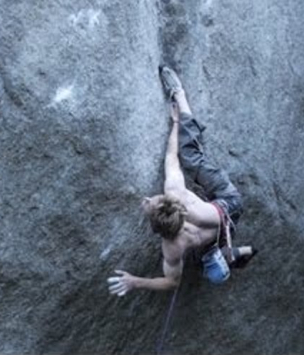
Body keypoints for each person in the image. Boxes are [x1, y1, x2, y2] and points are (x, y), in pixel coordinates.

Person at [107, 66, 257, 297]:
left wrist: (136, 282)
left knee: (205, 262)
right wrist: (176, 123)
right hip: (227, 208)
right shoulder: (175, 192)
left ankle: (179, 92)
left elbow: (171, 282)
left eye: (148, 202)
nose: (147, 199)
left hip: (222, 218)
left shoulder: (172, 247)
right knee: (190, 156)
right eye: (151, 201)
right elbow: (172, 157)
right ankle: (233, 251)